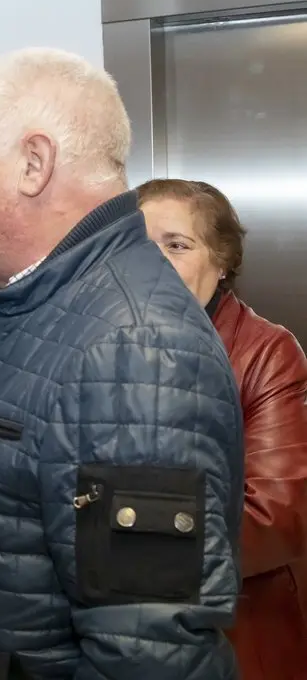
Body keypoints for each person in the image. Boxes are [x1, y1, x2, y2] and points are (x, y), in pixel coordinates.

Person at [0, 47, 244, 680]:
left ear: (34, 164)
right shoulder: (47, 297)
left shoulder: (136, 349)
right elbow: (10, 483)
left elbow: (148, 654)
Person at [139, 178, 307, 680]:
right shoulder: (100, 343)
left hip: (231, 634)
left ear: (222, 261)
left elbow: (276, 511)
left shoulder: (266, 353)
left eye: (176, 245)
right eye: (138, 246)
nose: (152, 263)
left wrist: (124, 552)